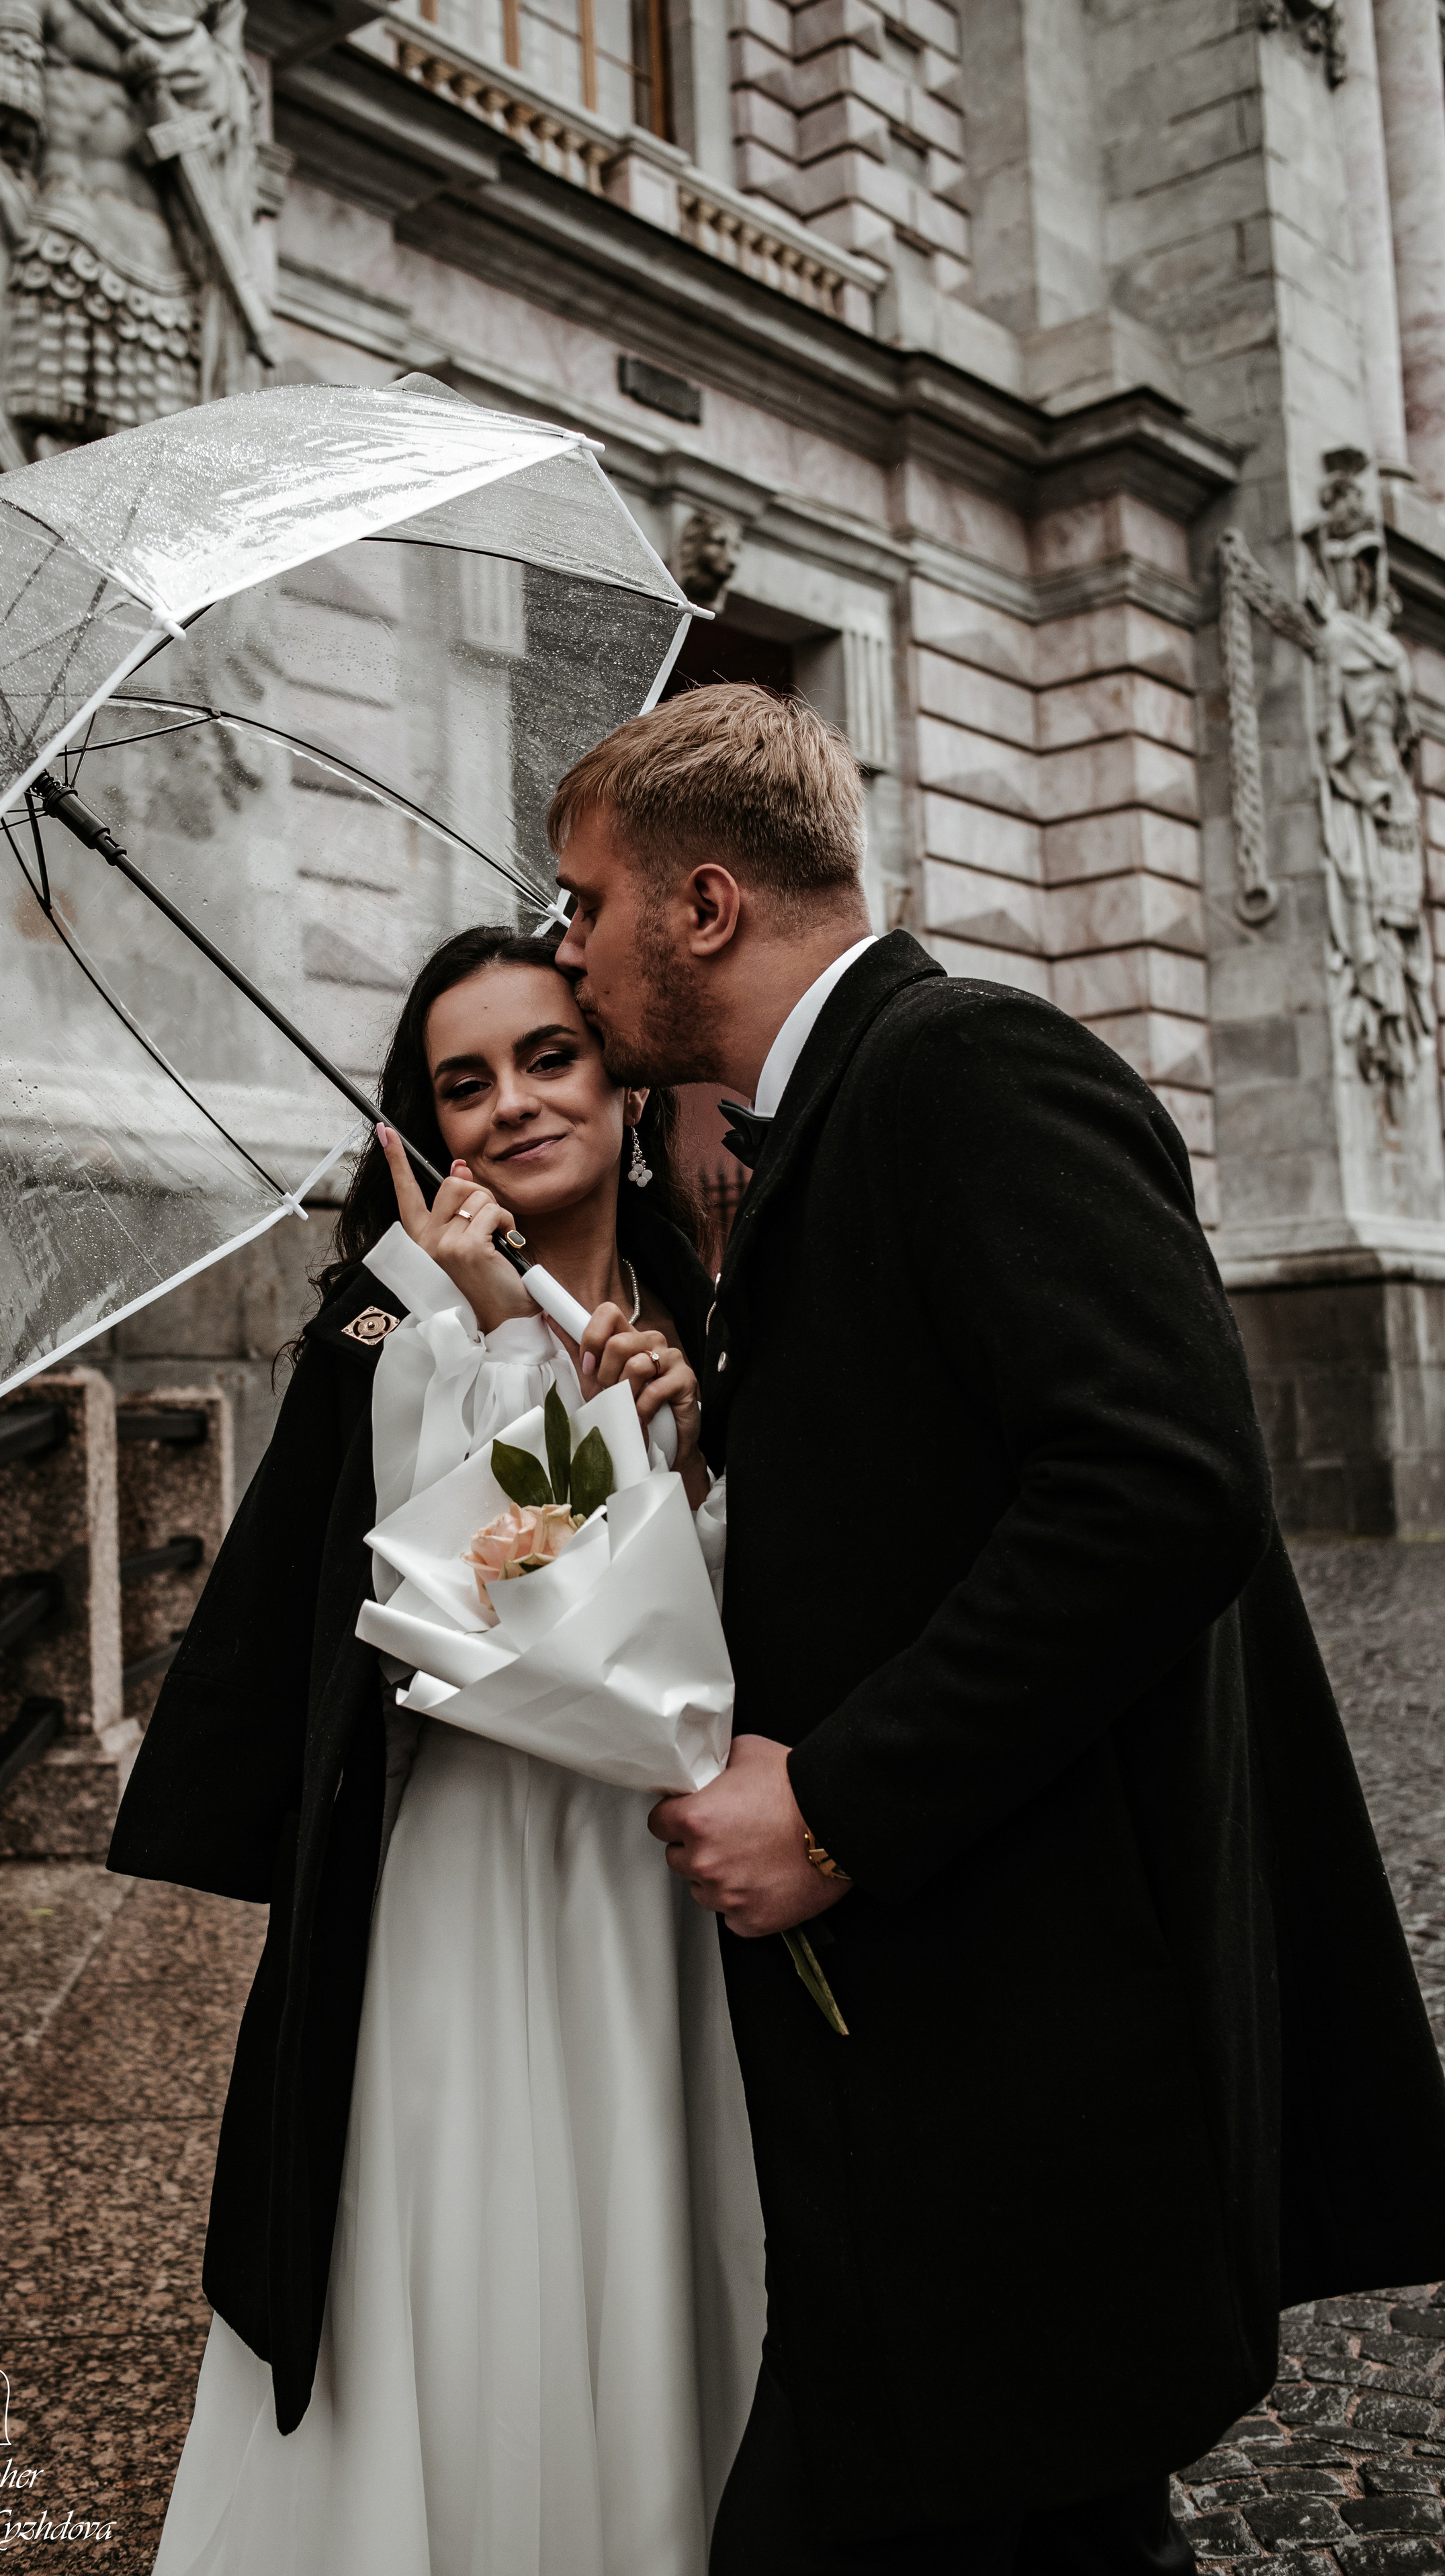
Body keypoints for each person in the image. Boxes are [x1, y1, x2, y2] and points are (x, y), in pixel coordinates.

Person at [548, 682, 1445, 2576]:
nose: (566, 950)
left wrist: (837, 1803)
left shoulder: (965, 1070)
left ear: (703, 907)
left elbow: (1163, 1486)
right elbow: (920, 1496)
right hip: (951, 2042)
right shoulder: (822, 1122)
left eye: (585, 903)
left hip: (1034, 2034)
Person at [109, 925, 765, 2576]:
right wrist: (504, 1334)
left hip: (655, 1877)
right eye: (463, 1084)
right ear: (429, 1132)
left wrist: (690, 1453)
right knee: (486, 2227)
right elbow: (483, 1603)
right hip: (475, 1860)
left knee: (652, 2214)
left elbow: (736, 1619)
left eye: (548, 1057)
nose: (513, 1104)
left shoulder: (705, 1311)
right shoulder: (397, 1331)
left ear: (624, 1085)